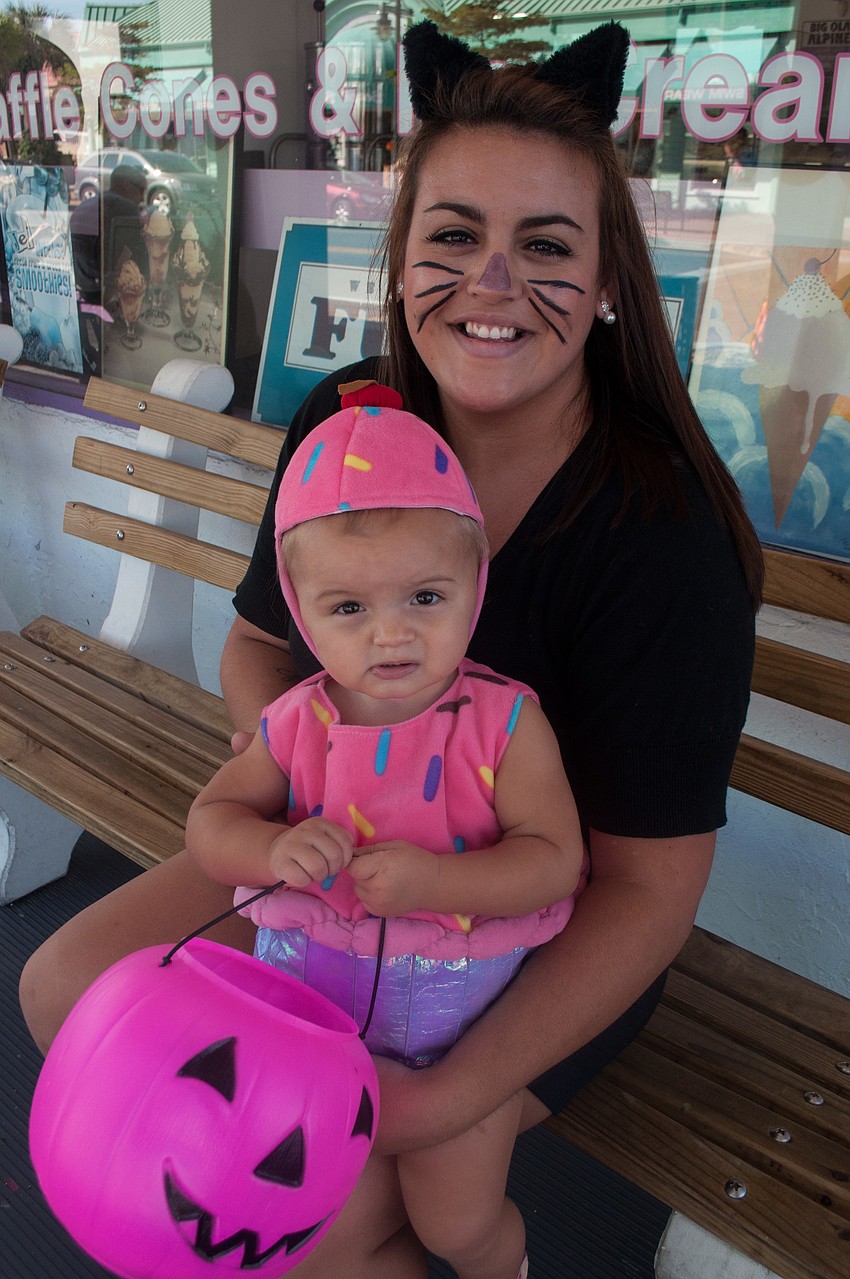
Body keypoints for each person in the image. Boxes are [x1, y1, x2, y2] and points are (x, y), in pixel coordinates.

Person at [20, 20, 763, 1278]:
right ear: (403, 258)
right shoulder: (349, 420)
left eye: (546, 247)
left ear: (606, 282)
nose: (492, 282)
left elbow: (645, 894)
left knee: (318, 1203)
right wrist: (296, 779)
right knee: (67, 988)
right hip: (331, 877)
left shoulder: (662, 532)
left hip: (532, 928)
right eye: (453, 238)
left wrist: (439, 1096)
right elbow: (259, 647)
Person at [186, 385, 584, 1279]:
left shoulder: (506, 724)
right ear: (300, 609)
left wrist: (439, 884)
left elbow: (556, 860)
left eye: (425, 596)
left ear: (475, 587)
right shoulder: (295, 722)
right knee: (304, 1200)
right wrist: (271, 849)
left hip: (464, 1036)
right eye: (350, 609)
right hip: (311, 1028)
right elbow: (209, 825)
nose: (393, 634)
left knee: (455, 1221)